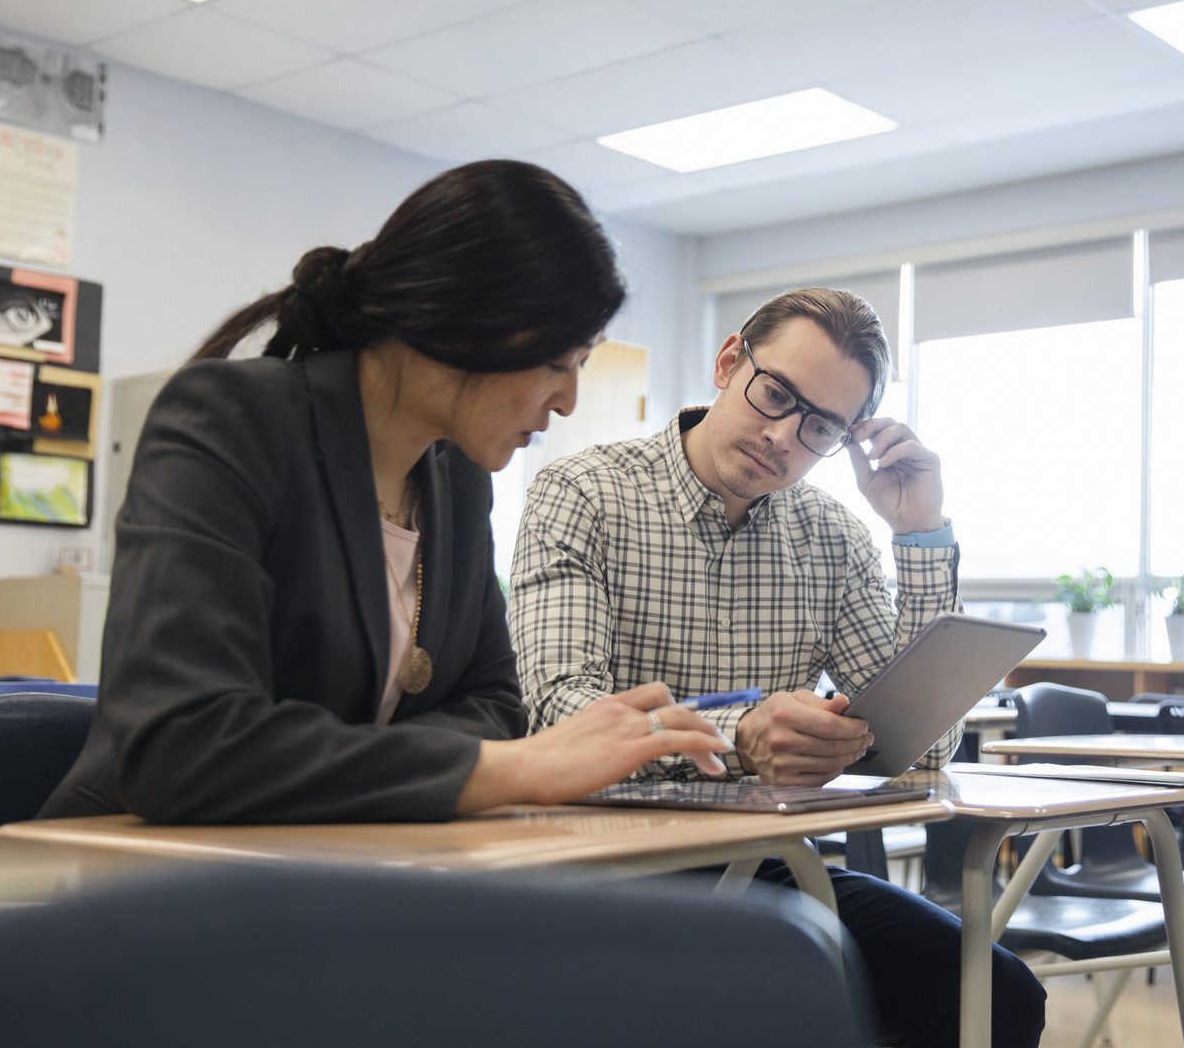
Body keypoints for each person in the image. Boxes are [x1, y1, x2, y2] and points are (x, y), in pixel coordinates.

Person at [42, 160, 728, 825]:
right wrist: (515, 769)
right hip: (133, 865)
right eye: (558, 361)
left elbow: (495, 704)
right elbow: (183, 743)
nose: (568, 401)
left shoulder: (458, 478)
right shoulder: (232, 419)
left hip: (343, 859)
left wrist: (366, 760)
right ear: (460, 322)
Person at [509, 287, 1045, 1048]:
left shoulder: (835, 539)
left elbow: (925, 750)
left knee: (995, 996)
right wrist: (738, 737)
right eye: (776, 395)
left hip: (761, 869)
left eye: (819, 426)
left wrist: (919, 533)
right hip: (597, 865)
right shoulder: (583, 492)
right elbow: (560, 711)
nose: (783, 437)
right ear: (730, 362)